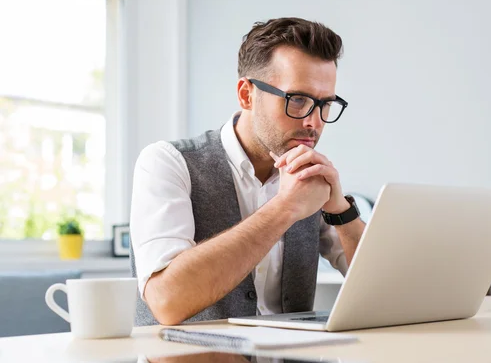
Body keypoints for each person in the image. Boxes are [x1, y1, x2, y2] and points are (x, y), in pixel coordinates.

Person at [130, 17, 366, 326]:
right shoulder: (166, 162)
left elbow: (388, 288)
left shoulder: (310, 177)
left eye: (325, 104)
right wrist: (284, 208)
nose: (314, 122)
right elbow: (167, 301)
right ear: (246, 95)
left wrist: (341, 211)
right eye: (297, 100)